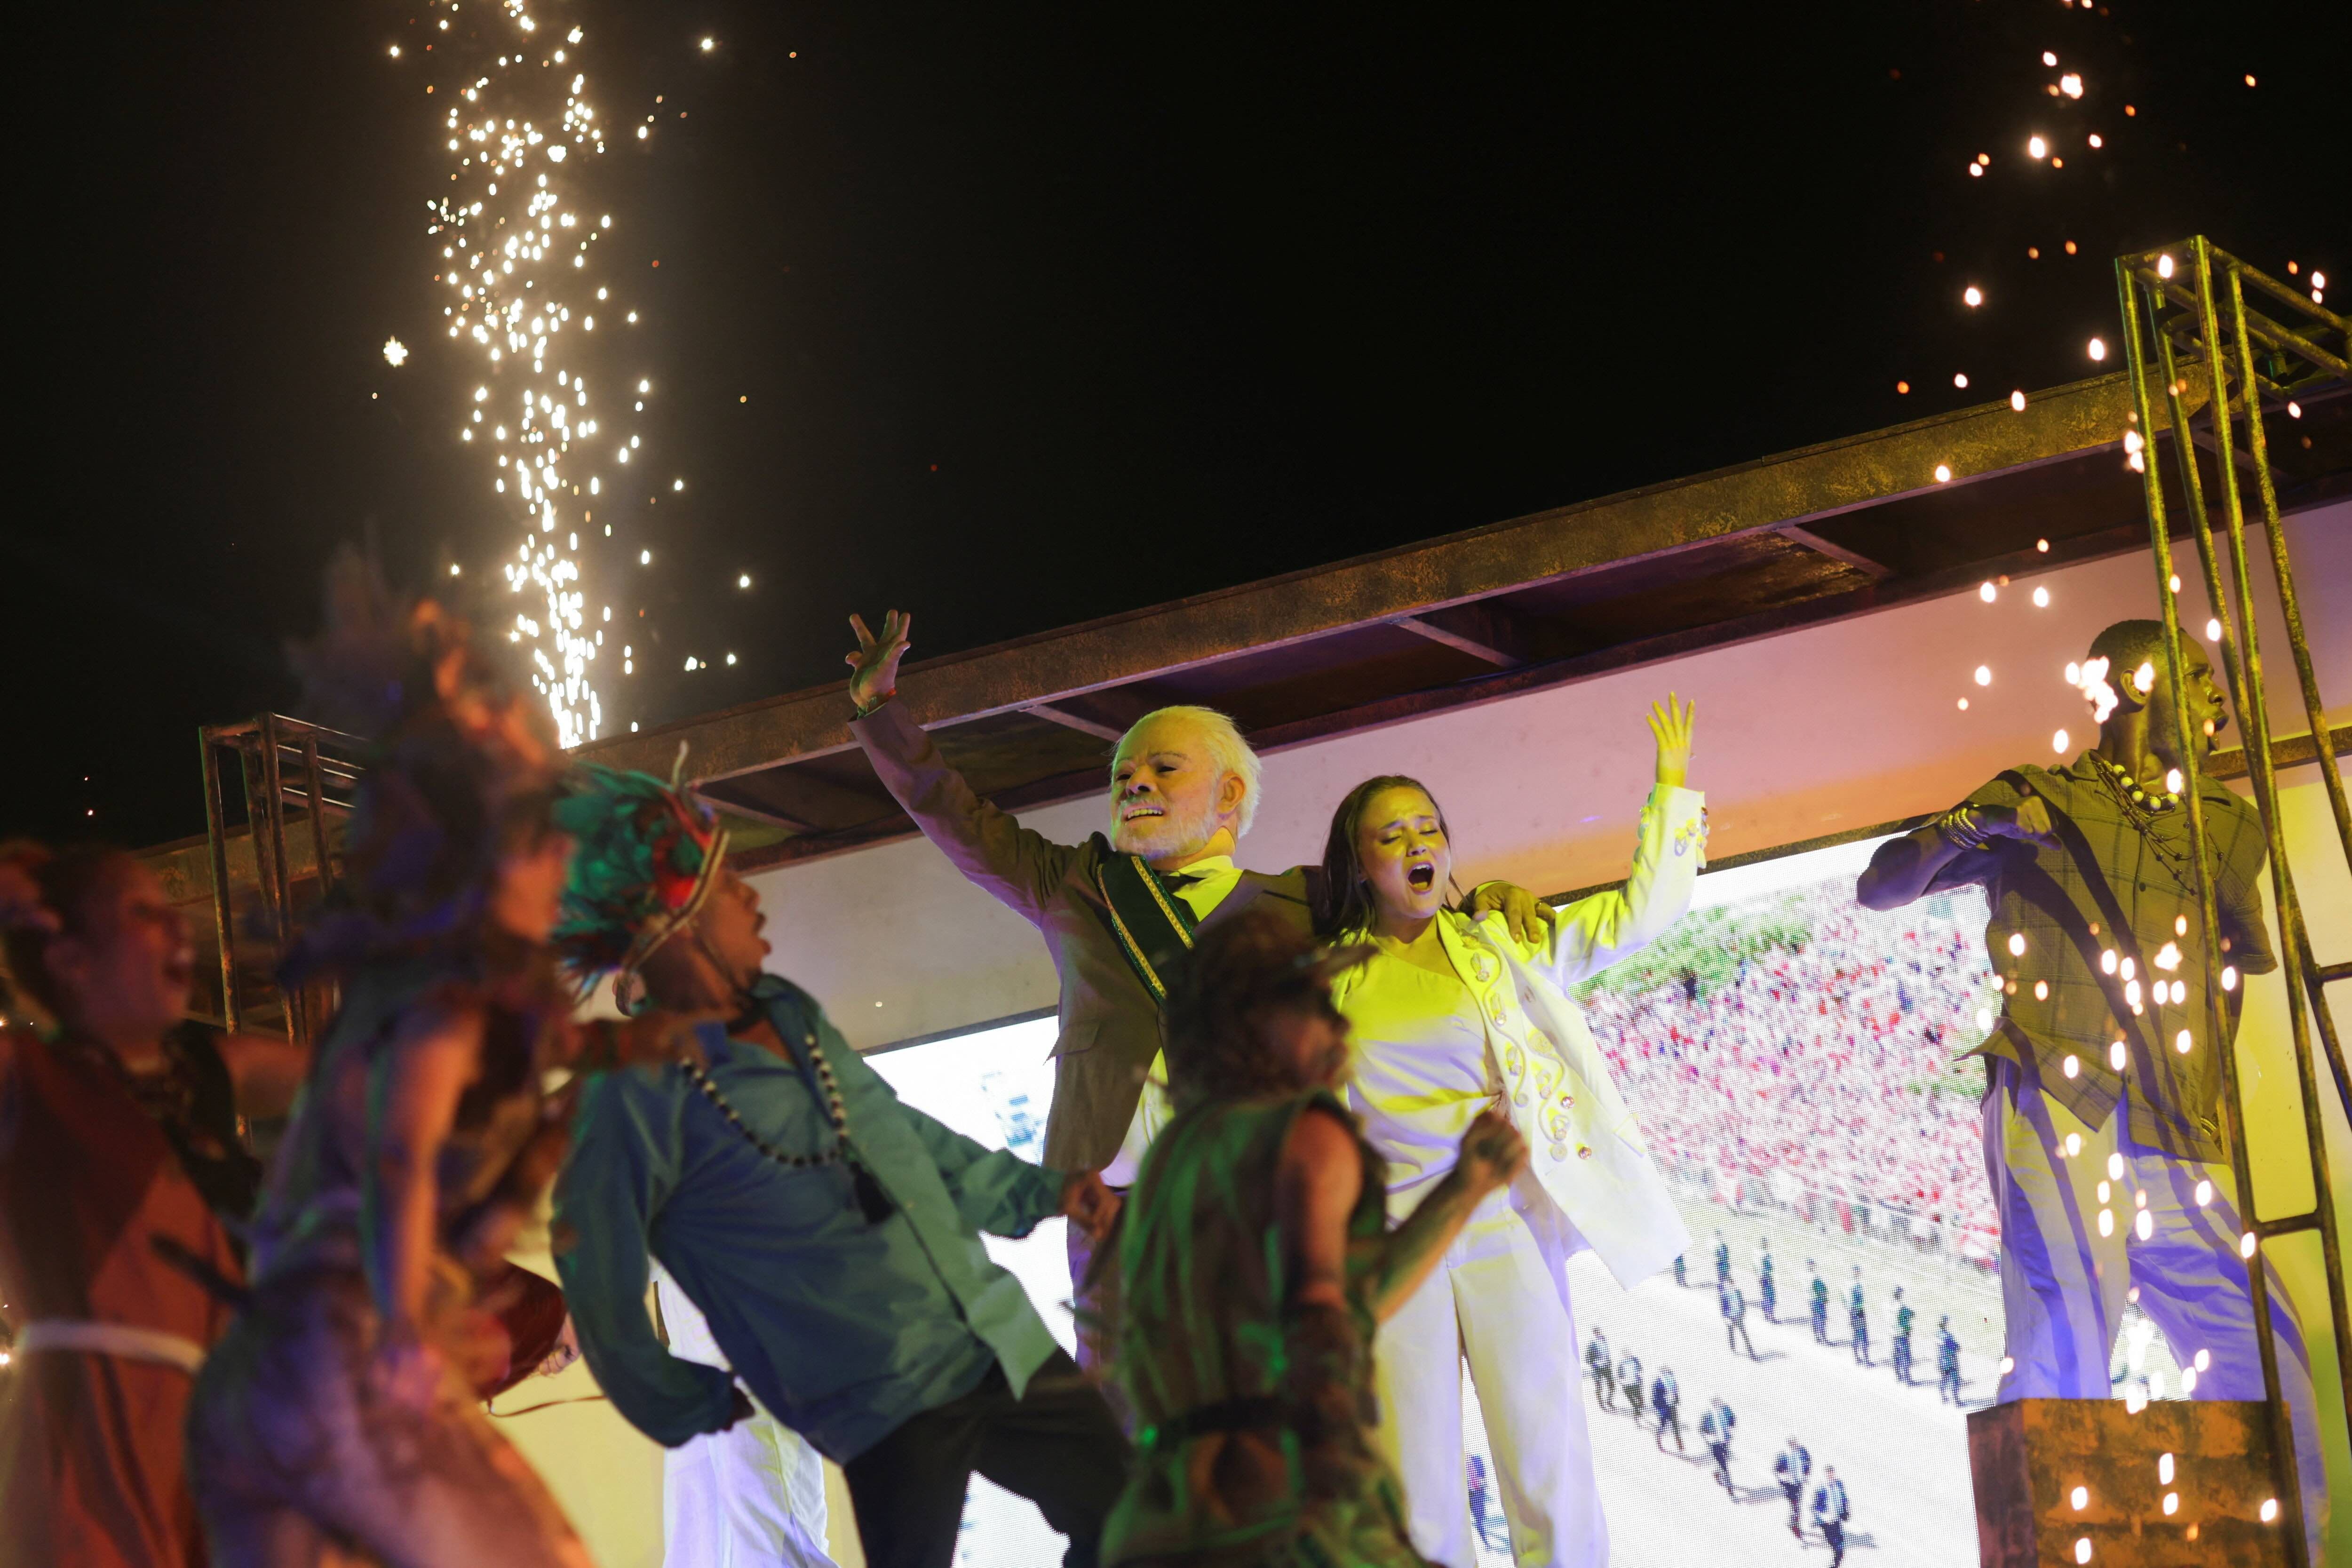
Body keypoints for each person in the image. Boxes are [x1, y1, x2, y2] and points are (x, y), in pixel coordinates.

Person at [841, 611, 1545, 1335]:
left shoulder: (1306, 903)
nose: (1133, 784)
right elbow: (956, 816)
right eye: (1122, 775)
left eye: (1162, 768)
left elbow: (1412, 905)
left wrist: (1491, 897)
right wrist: (879, 711)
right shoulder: (1074, 885)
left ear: (1230, 796)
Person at [185, 566, 685, 1566]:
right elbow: (401, 1157)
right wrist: (411, 1324)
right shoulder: (437, 1000)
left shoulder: (487, 1002)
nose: (560, 870)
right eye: (544, 844)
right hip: (335, 1353)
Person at [547, 763, 1129, 1568]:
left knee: (1135, 1518)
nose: (753, 899)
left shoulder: (787, 1010)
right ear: (675, 929)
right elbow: (602, 1239)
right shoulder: (638, 1095)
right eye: (728, 887)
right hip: (872, 1383)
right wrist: (633, 1358)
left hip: (990, 1332)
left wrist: (1041, 1188)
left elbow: (900, 1133)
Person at [1857, 618, 2326, 1554]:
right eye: (2198, 677)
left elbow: (2234, 967)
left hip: (2171, 1121)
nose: (2218, 698)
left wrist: (2208, 1092)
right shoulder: (2035, 795)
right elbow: (1879, 886)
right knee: (2066, 1341)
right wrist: (1966, 827)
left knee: (2272, 1359)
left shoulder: (2226, 825)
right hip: (2057, 1085)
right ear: (2133, 682)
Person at [1316, 695, 1703, 1568]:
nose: (1417, 844)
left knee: (1545, 1449)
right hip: (1394, 1242)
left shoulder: (1503, 942)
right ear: (1358, 860)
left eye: (1428, 826)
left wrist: (1671, 790)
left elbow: (1640, 916)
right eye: (1391, 834)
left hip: (1506, 1228)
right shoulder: (1327, 978)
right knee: (1413, 1479)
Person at [1101, 909, 1529, 1568]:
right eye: (1309, 1004)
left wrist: (1461, 1190)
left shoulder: (1172, 1156)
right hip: (1276, 1503)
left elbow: (1343, 1302)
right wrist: (1352, 1521)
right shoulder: (1303, 1132)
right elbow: (1322, 1324)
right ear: (1248, 1023)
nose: (1339, 1027)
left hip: (1161, 1512)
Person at [0, 845, 309, 1568]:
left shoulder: (212, 1073)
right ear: (73, 959)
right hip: (88, 1441)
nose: (178, 931)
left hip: (214, 1451)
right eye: (144, 913)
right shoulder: (27, 1080)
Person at [1812, 1466, 1850, 1568]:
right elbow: (1816, 1506)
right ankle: (1838, 1554)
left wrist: (1845, 1511)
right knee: (1831, 1541)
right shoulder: (1822, 1489)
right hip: (1826, 1521)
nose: (1831, 1476)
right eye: (1829, 1474)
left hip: (1836, 1518)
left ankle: (1837, 1560)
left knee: (1838, 1541)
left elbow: (1844, 1498)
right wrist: (1821, 1519)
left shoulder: (1839, 1485)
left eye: (1832, 1474)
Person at [1773, 1437, 1811, 1540]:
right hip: (1789, 1484)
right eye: (1791, 1443)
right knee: (1795, 1505)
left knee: (1797, 1505)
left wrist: (1805, 1476)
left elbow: (1808, 1463)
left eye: (1794, 1442)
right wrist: (1784, 1479)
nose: (1793, 1445)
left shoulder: (1802, 1452)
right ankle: (1795, 1524)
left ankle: (1794, 1523)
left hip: (1799, 1483)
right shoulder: (1785, 1455)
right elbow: (1777, 1469)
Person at [1698, 1397, 1735, 1495]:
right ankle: (1729, 1484)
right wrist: (1708, 1438)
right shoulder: (1708, 1416)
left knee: (1723, 1460)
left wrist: (1729, 1430)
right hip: (1715, 1443)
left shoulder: (1726, 1411)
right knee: (1723, 1463)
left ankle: (1720, 1474)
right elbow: (1702, 1428)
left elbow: (1733, 1420)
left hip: (1725, 1441)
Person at [1466, 1455, 1502, 1554]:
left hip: (1479, 1493)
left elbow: (1484, 1474)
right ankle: (1484, 1543)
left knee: (1481, 1519)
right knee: (1475, 1521)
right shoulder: (1458, 1464)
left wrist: (1483, 1482)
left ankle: (1486, 1543)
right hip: (1469, 1494)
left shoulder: (1476, 1459)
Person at [1720, 1281, 1756, 1360]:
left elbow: (1743, 1304)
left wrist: (1743, 1314)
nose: (1731, 1286)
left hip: (1738, 1316)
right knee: (1731, 1334)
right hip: (1730, 1317)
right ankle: (1733, 1348)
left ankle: (1751, 1353)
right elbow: (1723, 1308)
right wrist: (1726, 1318)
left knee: (1744, 1335)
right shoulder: (1724, 1295)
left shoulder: (1738, 1293)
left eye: (1731, 1284)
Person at [1649, 1366, 1682, 1452]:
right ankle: (1659, 1439)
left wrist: (1676, 1400)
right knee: (1663, 1425)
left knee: (1675, 1424)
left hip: (1672, 1406)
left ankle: (1678, 1441)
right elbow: (1656, 1397)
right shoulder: (1658, 1383)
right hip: (1664, 1407)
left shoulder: (1672, 1381)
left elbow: (1675, 1391)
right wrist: (1659, 1407)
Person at [1585, 1326, 1615, 1411]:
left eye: (1599, 1331)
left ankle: (1609, 1401)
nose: (1598, 1333)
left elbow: (1607, 1354)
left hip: (1606, 1367)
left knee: (1612, 1385)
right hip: (1598, 1368)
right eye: (1597, 1332)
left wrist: (1609, 1363)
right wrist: (1594, 1364)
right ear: (1594, 1334)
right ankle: (1601, 1404)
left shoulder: (1604, 1341)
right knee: (1599, 1386)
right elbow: (1587, 1358)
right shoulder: (1593, 1344)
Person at [1937, 1317, 1963, 1405]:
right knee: (1955, 1380)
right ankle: (1956, 1401)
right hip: (1950, 1361)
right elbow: (1956, 1347)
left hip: (1941, 1361)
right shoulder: (1948, 1336)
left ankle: (1943, 1397)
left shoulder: (1938, 1334)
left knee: (1943, 1380)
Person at [1847, 1266, 1870, 1367]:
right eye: (1858, 1272)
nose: (1859, 1273)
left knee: (1858, 1335)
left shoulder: (1854, 1284)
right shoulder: (1855, 1285)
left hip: (1855, 1312)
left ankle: (1859, 1358)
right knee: (1861, 1336)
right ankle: (1864, 1358)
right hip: (1857, 1312)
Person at [1891, 1287, 1915, 1385]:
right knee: (1905, 1357)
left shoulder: (1890, 1305)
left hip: (1893, 1334)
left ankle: (1898, 1376)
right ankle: (1907, 1378)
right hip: (1902, 1335)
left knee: (1897, 1356)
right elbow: (1912, 1314)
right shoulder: (1902, 1307)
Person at [1618, 1350, 1645, 1427]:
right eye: (1625, 1354)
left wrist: (1639, 1377)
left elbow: (1640, 1369)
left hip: (1635, 1383)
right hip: (1627, 1385)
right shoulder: (1622, 1363)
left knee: (1639, 1397)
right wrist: (1622, 1381)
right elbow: (1620, 1374)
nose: (1627, 1355)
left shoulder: (1635, 1360)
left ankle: (1640, 1406)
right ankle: (1637, 1411)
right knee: (1632, 1399)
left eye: (1628, 1353)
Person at [1808, 1261, 1829, 1344]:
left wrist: (1825, 1297)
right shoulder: (1812, 1277)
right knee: (1818, 1318)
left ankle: (1822, 1336)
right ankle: (1819, 1336)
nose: (1812, 1266)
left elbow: (1824, 1288)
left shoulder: (1817, 1275)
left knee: (1820, 1319)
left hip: (1817, 1300)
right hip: (1815, 1301)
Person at [1757, 1240, 1777, 1322]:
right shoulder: (1765, 1255)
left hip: (1765, 1277)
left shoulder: (1762, 1254)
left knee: (1767, 1297)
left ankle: (1768, 1315)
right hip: (1766, 1277)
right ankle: (1770, 1315)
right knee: (1769, 1297)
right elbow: (1769, 1267)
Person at [1712, 1231, 1731, 1295]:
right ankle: (1722, 1288)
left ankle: (1722, 1288)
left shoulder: (1720, 1245)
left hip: (1722, 1264)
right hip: (1723, 1264)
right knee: (1723, 1276)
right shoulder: (1721, 1245)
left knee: (1723, 1277)